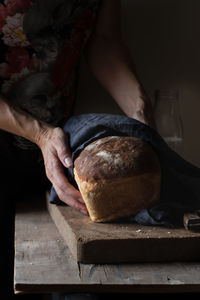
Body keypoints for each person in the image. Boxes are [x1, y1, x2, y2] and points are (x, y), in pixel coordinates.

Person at [0, 0, 155, 298]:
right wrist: (40, 134)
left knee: (74, 280)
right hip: (17, 139)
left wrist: (140, 113)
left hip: (58, 150)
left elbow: (105, 42)